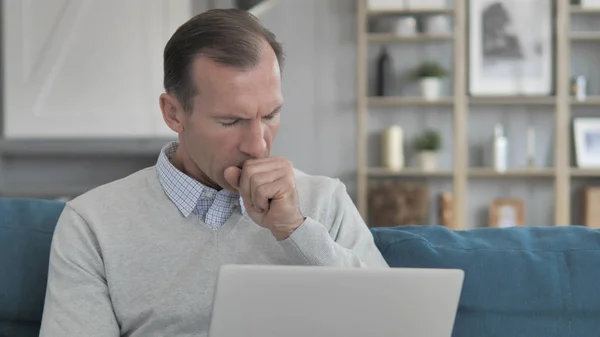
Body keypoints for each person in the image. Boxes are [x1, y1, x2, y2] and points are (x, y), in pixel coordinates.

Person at [39, 8, 389, 337]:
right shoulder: (92, 224)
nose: (257, 145)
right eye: (231, 121)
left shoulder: (325, 201)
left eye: (270, 116)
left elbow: (395, 322)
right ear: (174, 113)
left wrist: (296, 231)